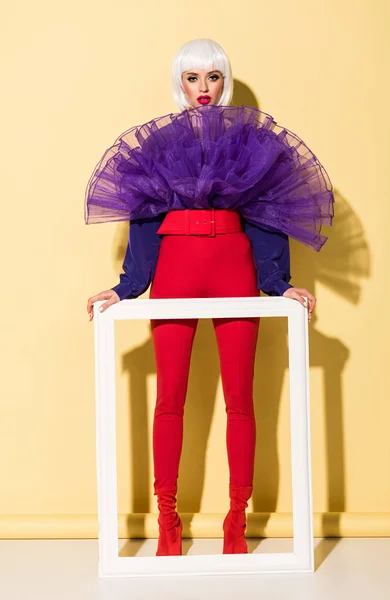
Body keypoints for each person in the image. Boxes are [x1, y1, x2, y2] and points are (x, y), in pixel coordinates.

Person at [86, 38, 334, 556]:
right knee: (169, 400)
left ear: (226, 80)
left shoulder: (250, 140)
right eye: (193, 77)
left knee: (240, 399)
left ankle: (236, 522)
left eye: (214, 77)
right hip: (175, 266)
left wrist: (280, 283)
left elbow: (268, 215)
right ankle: (168, 522)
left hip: (235, 266)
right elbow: (144, 219)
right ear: (179, 82)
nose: (203, 88)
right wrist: (125, 286)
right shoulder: (159, 144)